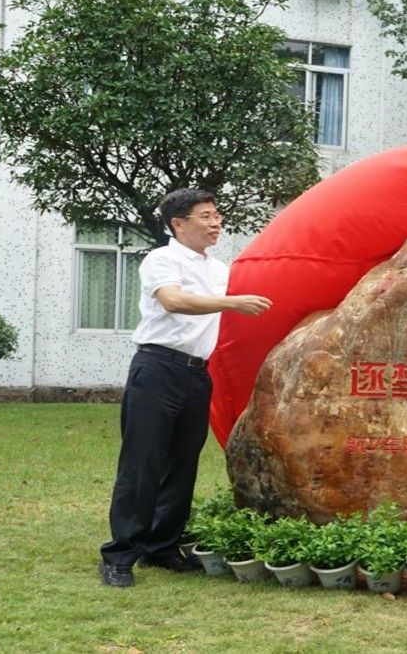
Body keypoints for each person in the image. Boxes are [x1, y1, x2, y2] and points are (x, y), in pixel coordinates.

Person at [99, 189, 272, 587]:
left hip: (196, 374)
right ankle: (120, 555)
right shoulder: (162, 259)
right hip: (157, 368)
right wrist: (231, 303)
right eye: (206, 216)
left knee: (182, 463)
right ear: (178, 224)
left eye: (217, 215)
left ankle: (161, 547)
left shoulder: (219, 269)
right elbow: (173, 301)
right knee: (142, 463)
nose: (216, 223)